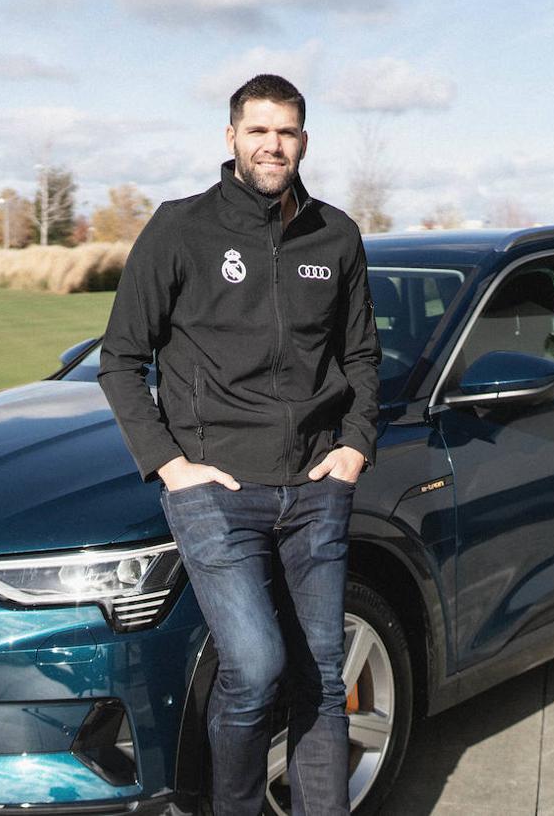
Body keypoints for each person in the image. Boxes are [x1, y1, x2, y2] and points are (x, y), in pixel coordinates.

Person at [97, 74, 381, 816]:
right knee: (255, 669)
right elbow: (122, 358)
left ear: (304, 142)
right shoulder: (180, 228)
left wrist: (354, 445)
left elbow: (360, 358)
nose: (271, 145)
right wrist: (171, 466)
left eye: (285, 132)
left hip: (316, 488)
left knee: (321, 675)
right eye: (257, 130)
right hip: (216, 494)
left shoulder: (337, 235)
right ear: (231, 138)